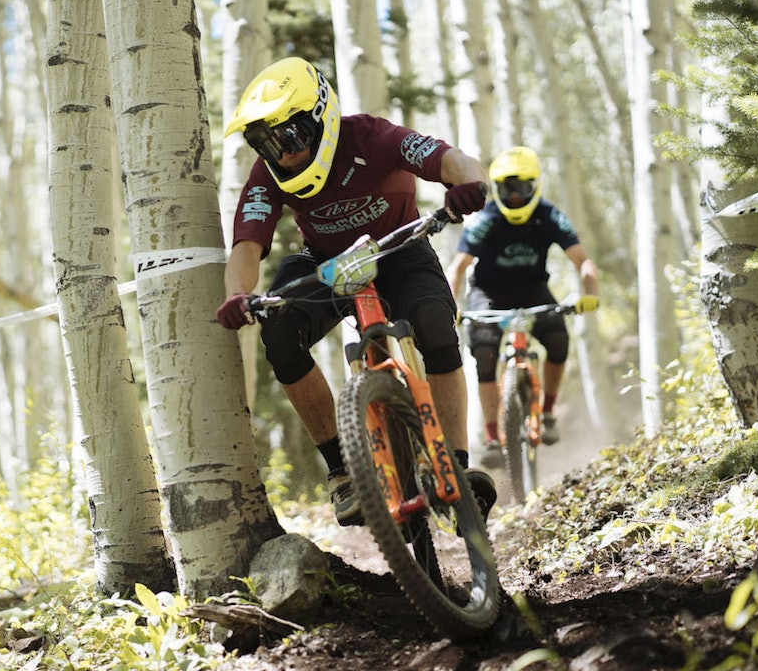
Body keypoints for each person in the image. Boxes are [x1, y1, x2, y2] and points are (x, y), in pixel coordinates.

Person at [215, 57, 494, 526]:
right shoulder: (268, 175)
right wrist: (237, 295)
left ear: (320, 114)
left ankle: (456, 467)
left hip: (401, 249)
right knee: (278, 332)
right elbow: (246, 245)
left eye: (290, 137)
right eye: (266, 143)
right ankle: (343, 472)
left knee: (433, 323)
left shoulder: (372, 136)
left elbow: (452, 159)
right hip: (327, 264)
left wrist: (469, 183)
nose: (282, 154)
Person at [446, 145, 599, 469]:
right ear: (497, 190)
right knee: (484, 353)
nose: (515, 196)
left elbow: (582, 260)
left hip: (533, 289)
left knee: (558, 340)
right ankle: (491, 439)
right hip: (488, 292)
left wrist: (590, 293)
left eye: (522, 188)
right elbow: (457, 269)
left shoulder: (549, 215)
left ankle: (546, 414)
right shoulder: (484, 220)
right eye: (507, 189)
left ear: (535, 186)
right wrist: (450, 306)